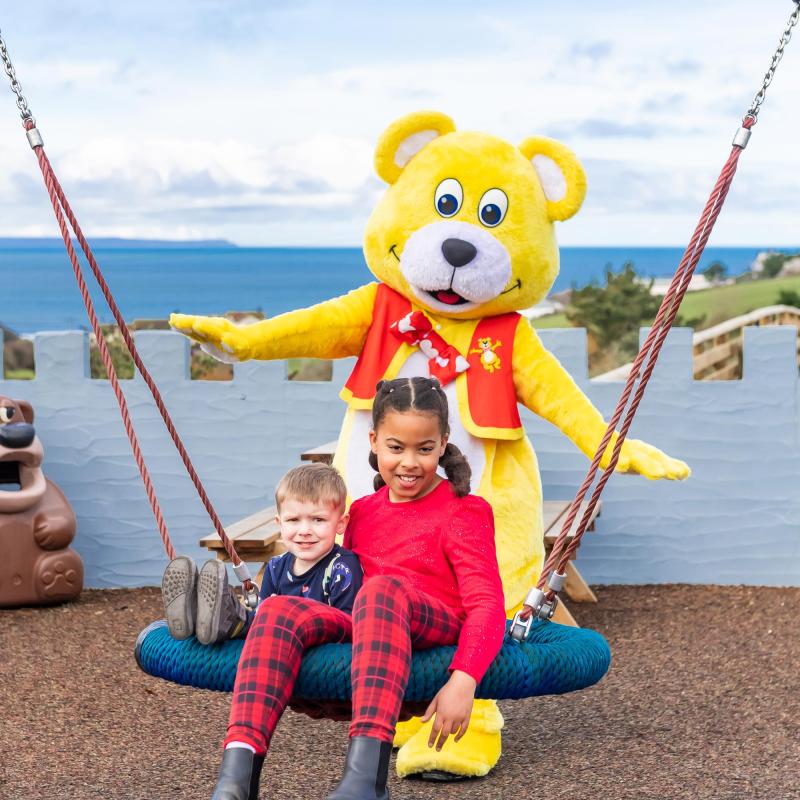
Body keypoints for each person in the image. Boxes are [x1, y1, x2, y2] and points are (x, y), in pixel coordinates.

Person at [210, 376, 507, 800]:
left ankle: (365, 781)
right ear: (373, 440)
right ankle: (236, 780)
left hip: (431, 622)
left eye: (424, 449)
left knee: (381, 590)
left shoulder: (464, 510)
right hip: (368, 625)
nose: (408, 462)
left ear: (443, 443)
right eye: (395, 447)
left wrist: (465, 680)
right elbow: (339, 589)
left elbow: (487, 604)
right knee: (277, 609)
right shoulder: (363, 511)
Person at [161, 462, 362, 646]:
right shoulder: (276, 566)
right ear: (279, 524)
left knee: (269, 612)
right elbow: (262, 616)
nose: (304, 530)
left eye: (318, 520)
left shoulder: (342, 568)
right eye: (293, 520)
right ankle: (196, 616)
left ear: (340, 524)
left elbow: (347, 627)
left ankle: (227, 618)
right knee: (260, 614)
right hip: (275, 640)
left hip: (317, 648)